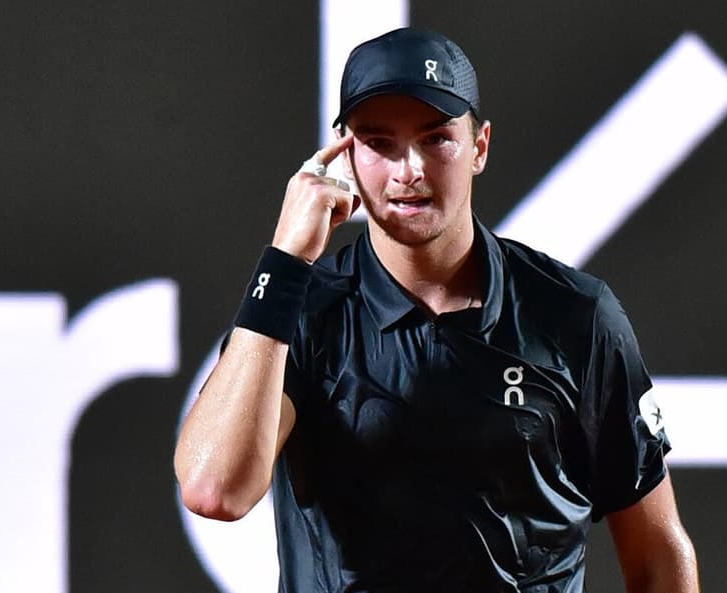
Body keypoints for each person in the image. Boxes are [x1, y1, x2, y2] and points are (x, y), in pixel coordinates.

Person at [175, 27, 698, 593]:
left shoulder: (575, 315)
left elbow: (657, 551)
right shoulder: (301, 315)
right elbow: (214, 489)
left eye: (436, 139)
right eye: (379, 143)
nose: (409, 170)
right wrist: (285, 258)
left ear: (480, 146)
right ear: (345, 156)